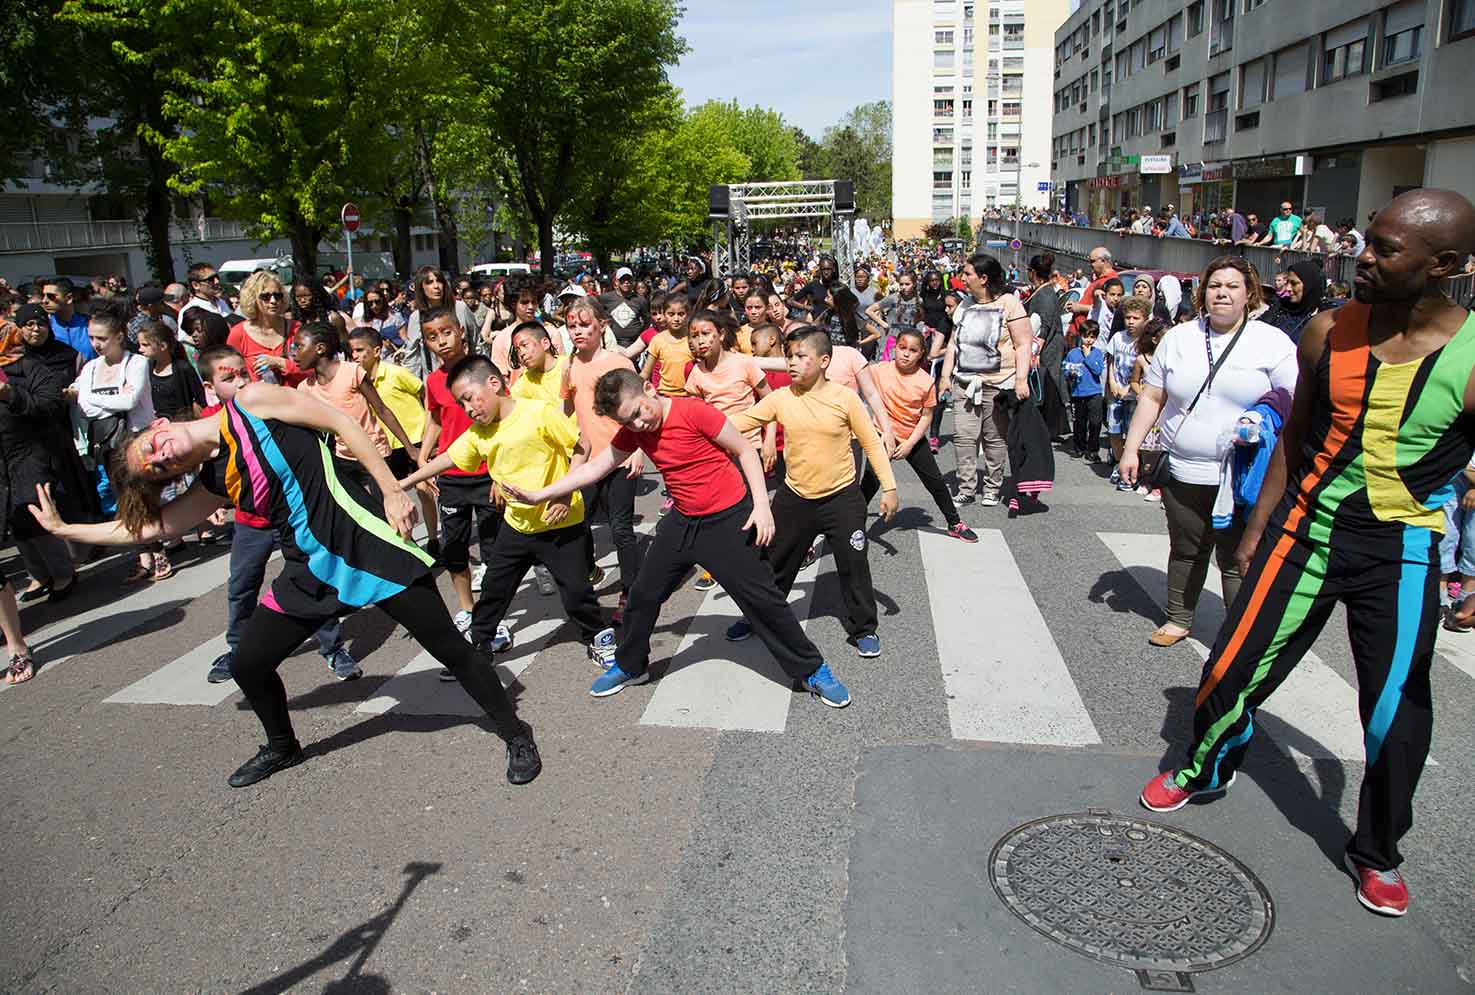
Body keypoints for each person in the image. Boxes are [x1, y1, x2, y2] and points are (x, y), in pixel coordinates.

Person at [1137, 189, 1475, 918]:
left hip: (1402, 551)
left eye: (1385, 249)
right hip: (1304, 532)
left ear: (1442, 265)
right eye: (1368, 239)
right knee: (1228, 665)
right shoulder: (1326, 330)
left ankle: (1376, 850)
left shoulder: (1472, 354)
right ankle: (1206, 765)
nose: (1362, 257)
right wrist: (1259, 529)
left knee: (1393, 714)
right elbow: (1295, 440)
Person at [32, 374, 543, 786]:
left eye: (152, 446)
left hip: (368, 546)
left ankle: (515, 732)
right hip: (307, 572)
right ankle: (282, 746)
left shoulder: (252, 401)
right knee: (249, 663)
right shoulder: (216, 479)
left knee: (452, 650)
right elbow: (156, 526)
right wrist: (64, 529)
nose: (161, 454)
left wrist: (390, 489)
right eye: (157, 468)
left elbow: (342, 421)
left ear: (159, 422)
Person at [499, 367, 854, 707]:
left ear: (650, 390)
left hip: (727, 519)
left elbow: (744, 450)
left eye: (639, 412)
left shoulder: (693, 411)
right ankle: (631, 665)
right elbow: (597, 466)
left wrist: (761, 506)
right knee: (642, 594)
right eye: (628, 421)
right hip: (682, 521)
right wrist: (542, 494)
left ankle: (812, 670)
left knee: (763, 600)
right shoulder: (635, 431)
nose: (638, 423)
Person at [1119, 255, 1297, 648]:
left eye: (1233, 286)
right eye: (1215, 285)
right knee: (1186, 548)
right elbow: (1151, 397)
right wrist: (1131, 449)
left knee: (1237, 557)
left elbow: (1294, 401)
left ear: (1248, 294)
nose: (1222, 293)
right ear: (1202, 293)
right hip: (1183, 469)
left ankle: (1241, 633)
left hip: (1245, 475)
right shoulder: (1179, 339)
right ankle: (1179, 619)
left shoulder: (1272, 342)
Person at [399, 355, 616, 668]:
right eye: (462, 405)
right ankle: (480, 646)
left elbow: (581, 445)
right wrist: (403, 482)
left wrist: (565, 493)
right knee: (493, 591)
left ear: (494, 383)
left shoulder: (537, 413)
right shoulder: (479, 433)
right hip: (516, 527)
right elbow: (448, 458)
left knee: (577, 593)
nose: (469, 409)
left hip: (561, 524)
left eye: (470, 399)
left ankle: (598, 639)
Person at [192, 346, 362, 684]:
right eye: (228, 378)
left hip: (295, 518)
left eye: (243, 373)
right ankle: (238, 648)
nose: (240, 382)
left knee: (314, 581)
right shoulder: (209, 425)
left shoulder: (267, 404)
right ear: (210, 387)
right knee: (242, 584)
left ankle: (332, 648)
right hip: (251, 521)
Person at [727, 326, 898, 656]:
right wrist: (693, 420)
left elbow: (871, 444)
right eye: (789, 356)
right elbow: (740, 422)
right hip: (796, 498)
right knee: (773, 562)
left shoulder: (845, 399)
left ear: (824, 361)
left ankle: (864, 628)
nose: (791, 362)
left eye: (800, 356)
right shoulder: (780, 398)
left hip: (842, 498)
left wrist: (889, 488)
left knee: (854, 564)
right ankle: (758, 617)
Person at [416, 309, 506, 645]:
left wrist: (501, 472)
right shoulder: (433, 381)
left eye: (446, 332)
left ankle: (494, 615)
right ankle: (468, 609)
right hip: (450, 477)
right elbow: (436, 421)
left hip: (487, 474)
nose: (441, 341)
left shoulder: (482, 371)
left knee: (493, 549)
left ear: (461, 332)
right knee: (454, 548)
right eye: (432, 336)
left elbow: (502, 418)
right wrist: (424, 458)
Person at [560, 298, 643, 623]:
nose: (578, 331)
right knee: (578, 525)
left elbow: (638, 408)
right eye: (572, 326)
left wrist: (638, 449)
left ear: (602, 325)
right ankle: (587, 575)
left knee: (621, 528)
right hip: (587, 460)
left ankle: (630, 592)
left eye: (584, 324)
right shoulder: (569, 366)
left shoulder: (618, 361)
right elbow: (566, 410)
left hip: (620, 457)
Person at [683, 309, 775, 591]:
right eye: (695, 336)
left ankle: (764, 567)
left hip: (750, 449)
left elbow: (770, 400)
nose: (701, 341)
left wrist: (769, 438)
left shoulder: (743, 364)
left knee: (751, 509)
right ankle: (720, 566)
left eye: (707, 334)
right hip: (715, 454)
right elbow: (692, 414)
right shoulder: (697, 374)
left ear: (720, 335)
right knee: (723, 512)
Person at [0, 305, 82, 609]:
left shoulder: (30, 368)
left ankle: (63, 574)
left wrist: (11, 395)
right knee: (12, 519)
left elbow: (49, 406)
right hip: (2, 459)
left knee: (35, 513)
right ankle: (38, 575)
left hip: (30, 452)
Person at [862, 329, 977, 543]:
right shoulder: (878, 370)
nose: (906, 354)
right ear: (894, 347)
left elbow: (926, 416)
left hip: (911, 437)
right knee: (871, 481)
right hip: (881, 433)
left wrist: (909, 444)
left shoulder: (925, 381)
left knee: (935, 482)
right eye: (902, 347)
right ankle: (851, 525)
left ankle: (954, 523)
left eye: (913, 350)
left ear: (921, 354)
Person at [940, 253, 1035, 508]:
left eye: (967, 273)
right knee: (964, 437)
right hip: (965, 383)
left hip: (999, 384)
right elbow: (952, 343)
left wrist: (1021, 380)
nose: (962, 278)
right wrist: (944, 376)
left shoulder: (1010, 304)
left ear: (983, 278)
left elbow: (1023, 343)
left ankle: (992, 487)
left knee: (995, 438)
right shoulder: (964, 305)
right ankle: (966, 488)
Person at [73, 310, 161, 579]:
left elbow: (130, 402)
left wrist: (95, 399)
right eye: (91, 338)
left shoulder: (136, 363)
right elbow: (83, 406)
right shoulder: (90, 367)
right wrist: (107, 400)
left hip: (138, 437)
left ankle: (159, 550)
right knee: (124, 498)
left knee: (145, 494)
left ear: (119, 337)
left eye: (102, 338)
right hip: (109, 443)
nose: (96, 344)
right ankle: (143, 555)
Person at [228, 272, 303, 386]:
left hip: (295, 399)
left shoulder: (296, 328)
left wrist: (279, 362)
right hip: (257, 401)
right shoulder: (238, 334)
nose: (273, 301)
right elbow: (230, 373)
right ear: (253, 298)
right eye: (266, 297)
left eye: (277, 296)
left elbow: (311, 370)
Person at [1105, 296, 1150, 485]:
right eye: (1128, 317)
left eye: (1136, 318)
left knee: (1133, 433)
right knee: (1114, 431)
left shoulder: (1146, 342)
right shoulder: (1118, 337)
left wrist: (1127, 388)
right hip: (1117, 392)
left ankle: (1133, 470)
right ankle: (1119, 461)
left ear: (1145, 320)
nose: (1131, 322)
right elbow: (1111, 363)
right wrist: (1113, 383)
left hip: (1135, 394)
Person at [1024, 253, 1069, 441]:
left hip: (1047, 345)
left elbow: (1044, 323)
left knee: (1047, 384)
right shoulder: (1044, 290)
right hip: (1049, 342)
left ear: (1032, 272)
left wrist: (1037, 346)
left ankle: (1049, 428)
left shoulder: (1045, 294)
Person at [1063, 321, 1106, 462]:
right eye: (1086, 336)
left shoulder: (1097, 353)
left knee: (1095, 422)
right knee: (1079, 422)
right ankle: (1079, 446)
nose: (1088, 340)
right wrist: (1070, 373)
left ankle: (1093, 449)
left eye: (1092, 337)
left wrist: (1088, 356)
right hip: (1078, 393)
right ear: (1080, 335)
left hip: (1094, 392)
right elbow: (1066, 370)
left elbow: (1098, 370)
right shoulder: (1072, 353)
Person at [1262, 261, 1326, 344]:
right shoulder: (1279, 307)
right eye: (1287, 282)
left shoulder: (1323, 318)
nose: (1288, 288)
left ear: (1309, 285)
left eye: (1294, 283)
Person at [1067, 247, 1119, 338]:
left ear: (1103, 261)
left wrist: (1080, 308)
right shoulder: (1099, 279)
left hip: (1088, 335)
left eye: (1092, 261)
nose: (1090, 264)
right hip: (1079, 331)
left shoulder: (1111, 281)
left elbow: (1107, 309)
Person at [40, 277, 96, 361]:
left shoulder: (90, 324)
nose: (44, 300)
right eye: (43, 296)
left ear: (69, 298)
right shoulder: (44, 327)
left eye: (51, 296)